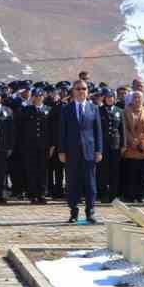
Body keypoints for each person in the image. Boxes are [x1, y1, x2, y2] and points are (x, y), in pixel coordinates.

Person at [58, 78, 105, 223]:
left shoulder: (93, 108)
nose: (81, 91)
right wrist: (61, 151)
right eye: (78, 89)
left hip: (89, 151)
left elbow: (98, 131)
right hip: (71, 152)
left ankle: (90, 212)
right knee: (72, 183)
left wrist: (99, 150)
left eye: (84, 89)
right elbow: (62, 132)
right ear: (73, 91)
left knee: (90, 183)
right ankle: (73, 212)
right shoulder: (66, 109)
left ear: (87, 91)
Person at [16, 86, 51, 203]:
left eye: (40, 96)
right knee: (31, 170)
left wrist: (52, 146)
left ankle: (42, 194)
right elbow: (21, 128)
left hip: (44, 146)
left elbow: (52, 129)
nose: (38, 98)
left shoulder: (48, 110)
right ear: (33, 98)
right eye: (36, 96)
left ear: (43, 97)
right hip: (29, 145)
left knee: (43, 170)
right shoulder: (26, 110)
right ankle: (33, 194)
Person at [121, 91, 144, 201]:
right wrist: (132, 140)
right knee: (131, 172)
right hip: (130, 146)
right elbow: (124, 128)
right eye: (135, 97)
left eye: (139, 97)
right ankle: (131, 195)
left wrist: (139, 140)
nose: (137, 99)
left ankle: (142, 195)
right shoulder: (125, 112)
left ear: (143, 99)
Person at [96, 89, 124, 204]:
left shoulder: (119, 111)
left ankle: (113, 194)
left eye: (112, 97)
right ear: (104, 99)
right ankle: (102, 194)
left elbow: (122, 129)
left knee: (115, 170)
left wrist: (123, 145)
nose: (110, 99)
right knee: (103, 170)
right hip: (103, 144)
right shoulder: (98, 110)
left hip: (115, 145)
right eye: (108, 97)